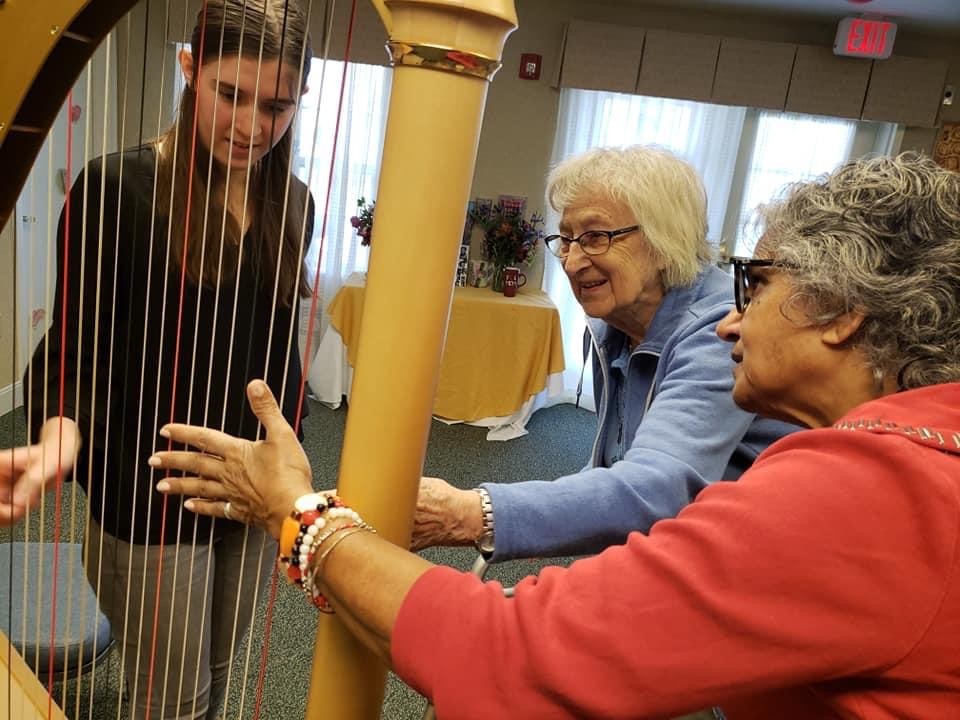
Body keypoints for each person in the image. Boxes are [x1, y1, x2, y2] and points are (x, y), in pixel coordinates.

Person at [153, 153, 960, 718]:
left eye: (760, 281)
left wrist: (298, 512)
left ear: (842, 310)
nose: (732, 321)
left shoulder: (866, 494)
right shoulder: (916, 450)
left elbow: (512, 650)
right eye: (563, 238)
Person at [1, 2, 314, 718]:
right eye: (230, 94)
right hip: (151, 494)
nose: (252, 126)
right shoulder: (118, 189)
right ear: (187, 69)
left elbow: (273, 349)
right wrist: (58, 440)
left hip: (249, 486)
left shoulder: (294, 202)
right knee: (173, 700)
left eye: (276, 105)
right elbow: (76, 350)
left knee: (221, 671)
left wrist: (286, 465)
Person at [413, 145, 795, 559]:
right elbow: (615, 464)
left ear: (666, 238)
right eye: (566, 239)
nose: (573, 262)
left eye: (595, 238)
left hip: (739, 562)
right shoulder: (613, 324)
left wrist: (472, 513)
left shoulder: (721, 329)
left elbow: (656, 488)